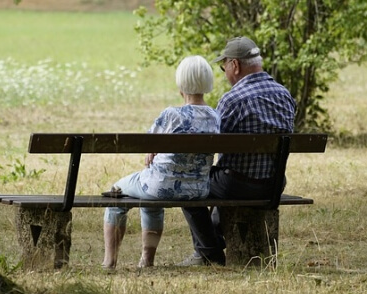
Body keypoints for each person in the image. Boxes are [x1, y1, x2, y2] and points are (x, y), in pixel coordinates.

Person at [178, 37, 296, 266]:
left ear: (235, 65)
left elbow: (210, 144)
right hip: (273, 184)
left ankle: (209, 253)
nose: (225, 73)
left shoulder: (232, 100)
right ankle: (212, 243)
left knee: (187, 184)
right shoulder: (285, 95)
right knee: (224, 176)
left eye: (224, 68)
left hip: (238, 185)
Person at [102, 55, 220, 269]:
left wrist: (152, 150)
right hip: (197, 190)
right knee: (149, 197)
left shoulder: (171, 115)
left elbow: (147, 144)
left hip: (160, 186)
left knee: (116, 192)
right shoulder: (215, 116)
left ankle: (109, 262)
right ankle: (146, 260)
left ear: (181, 84)